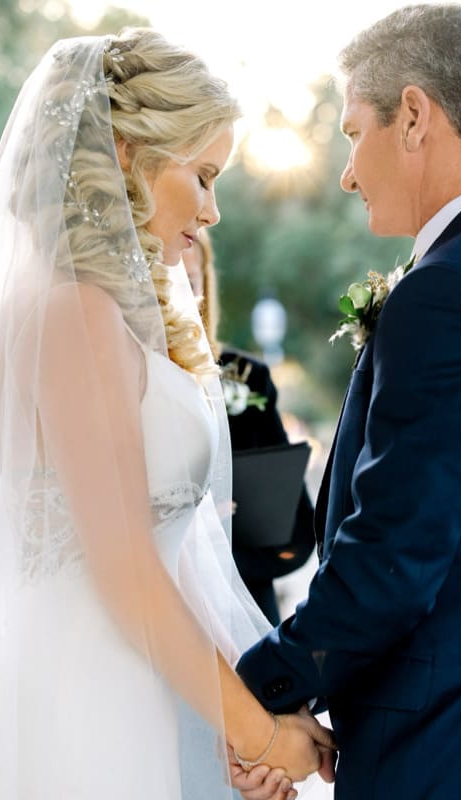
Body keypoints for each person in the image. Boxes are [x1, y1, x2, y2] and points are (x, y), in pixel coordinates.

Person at [235, 6, 461, 798]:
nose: (347, 173)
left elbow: (391, 559)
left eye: (354, 131)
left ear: (416, 116)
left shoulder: (453, 289)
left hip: (454, 752)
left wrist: (251, 695)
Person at [0, 29, 334, 799]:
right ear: (128, 151)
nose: (211, 212)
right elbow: (125, 570)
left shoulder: (106, 310)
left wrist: (233, 719)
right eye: (204, 176)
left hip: (154, 668)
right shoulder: (71, 311)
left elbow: (184, 558)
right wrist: (263, 734)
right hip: (95, 687)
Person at [180, 229, 314, 625]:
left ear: (207, 283)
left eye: (189, 282)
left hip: (243, 593)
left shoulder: (245, 378)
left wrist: (227, 530)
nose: (179, 296)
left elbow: (288, 519)